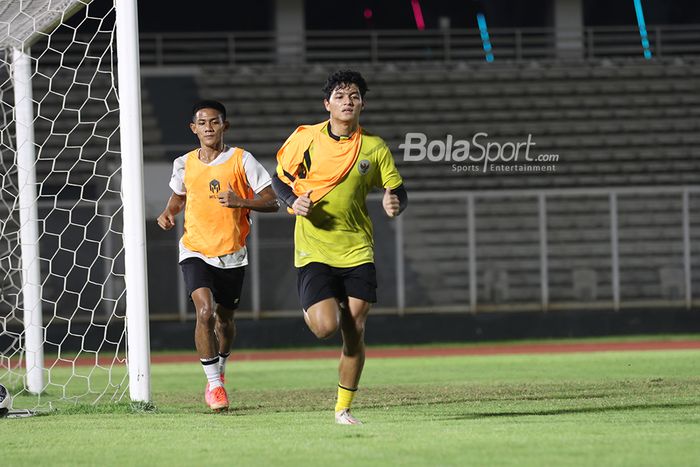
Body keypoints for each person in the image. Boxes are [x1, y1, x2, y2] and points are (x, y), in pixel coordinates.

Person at [272, 70, 408, 425]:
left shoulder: (374, 148)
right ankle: (315, 308)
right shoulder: (306, 137)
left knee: (354, 331)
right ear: (327, 103)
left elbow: (398, 190)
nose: (347, 101)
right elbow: (278, 178)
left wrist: (395, 202)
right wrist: (293, 201)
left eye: (354, 96)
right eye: (340, 95)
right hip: (314, 250)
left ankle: (343, 410)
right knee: (325, 327)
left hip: (357, 250)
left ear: (362, 103)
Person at [157, 100, 279, 412]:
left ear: (225, 126)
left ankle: (220, 370)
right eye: (203, 122)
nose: (209, 128)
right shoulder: (184, 163)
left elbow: (272, 201)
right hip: (195, 249)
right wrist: (169, 212)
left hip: (232, 254)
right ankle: (214, 385)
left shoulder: (242, 159)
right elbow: (178, 196)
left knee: (224, 321)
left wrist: (241, 201)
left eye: (215, 122)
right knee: (204, 312)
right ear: (193, 128)